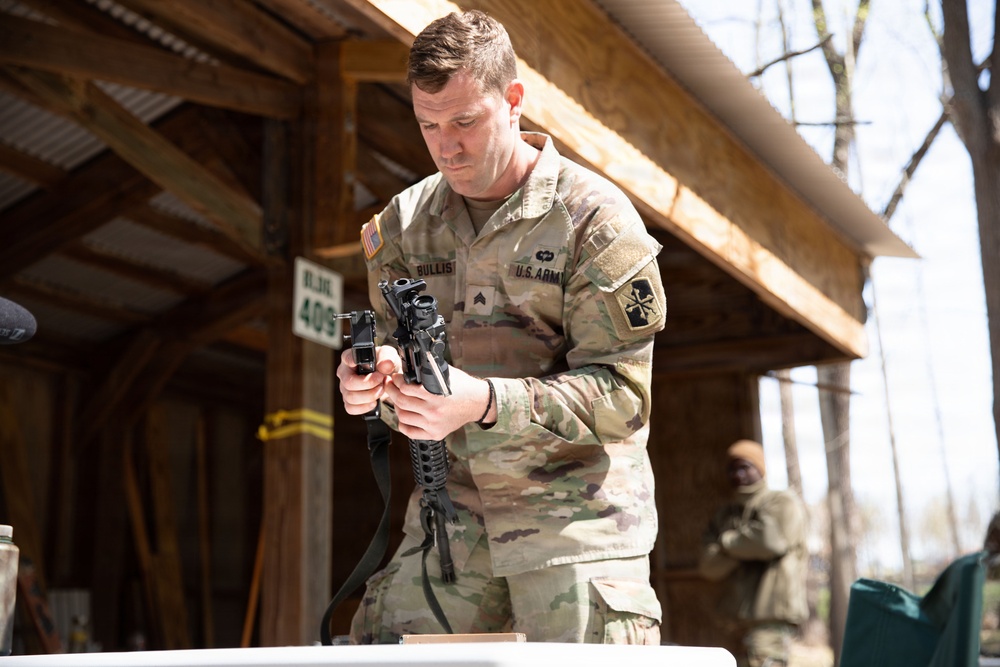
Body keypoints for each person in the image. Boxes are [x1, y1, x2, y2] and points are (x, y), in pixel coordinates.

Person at [335, 9, 666, 644]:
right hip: (448, 520)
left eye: (464, 121)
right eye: (428, 125)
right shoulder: (404, 224)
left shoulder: (592, 220)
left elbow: (625, 395)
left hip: (576, 526)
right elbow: (396, 365)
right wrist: (375, 385)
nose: (446, 146)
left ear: (512, 100)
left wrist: (486, 403)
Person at [698, 439, 809, 667]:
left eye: (745, 466)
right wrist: (746, 546)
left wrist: (727, 543)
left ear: (760, 468)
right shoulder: (725, 514)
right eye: (732, 469)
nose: (738, 474)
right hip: (732, 626)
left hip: (769, 623)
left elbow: (770, 542)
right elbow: (708, 566)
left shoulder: (780, 502)